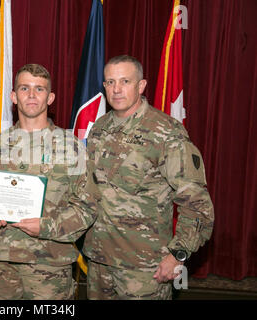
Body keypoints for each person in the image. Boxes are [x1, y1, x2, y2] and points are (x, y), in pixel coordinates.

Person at [83, 55, 214, 300]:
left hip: (144, 269)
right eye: (110, 82)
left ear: (141, 86)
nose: (117, 89)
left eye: (125, 81)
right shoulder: (99, 128)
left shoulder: (166, 133)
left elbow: (197, 204)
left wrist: (177, 255)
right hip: (99, 261)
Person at [0, 64, 98, 300]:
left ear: (50, 97)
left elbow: (88, 208)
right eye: (24, 88)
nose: (31, 95)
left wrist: (46, 227)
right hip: (3, 267)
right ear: (13, 96)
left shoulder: (71, 148)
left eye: (39, 89)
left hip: (50, 268)